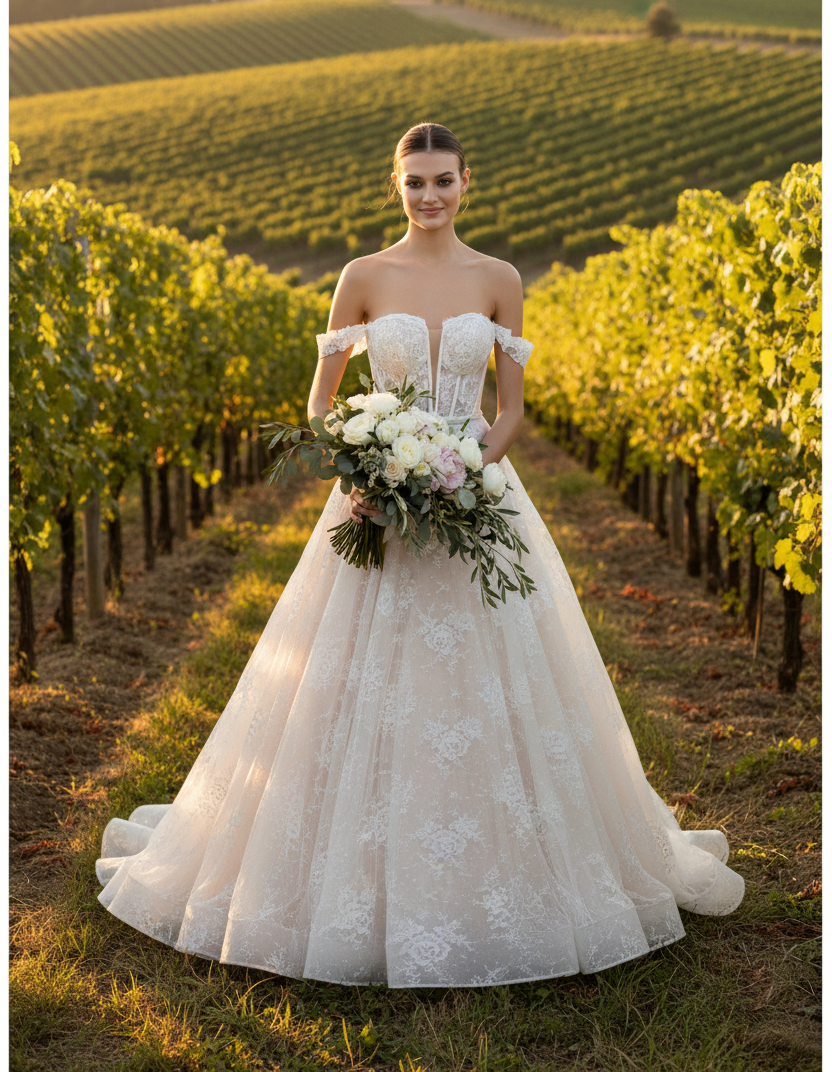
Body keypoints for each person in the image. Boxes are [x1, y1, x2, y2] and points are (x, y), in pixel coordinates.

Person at [96, 122, 744, 988]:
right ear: (394, 185)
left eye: (443, 180)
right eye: (414, 182)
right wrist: (364, 467)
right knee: (349, 680)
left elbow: (510, 408)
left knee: (503, 676)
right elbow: (321, 404)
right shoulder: (363, 277)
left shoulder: (500, 279)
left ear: (467, 182)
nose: (429, 196)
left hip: (479, 492)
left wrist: (465, 470)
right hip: (376, 502)